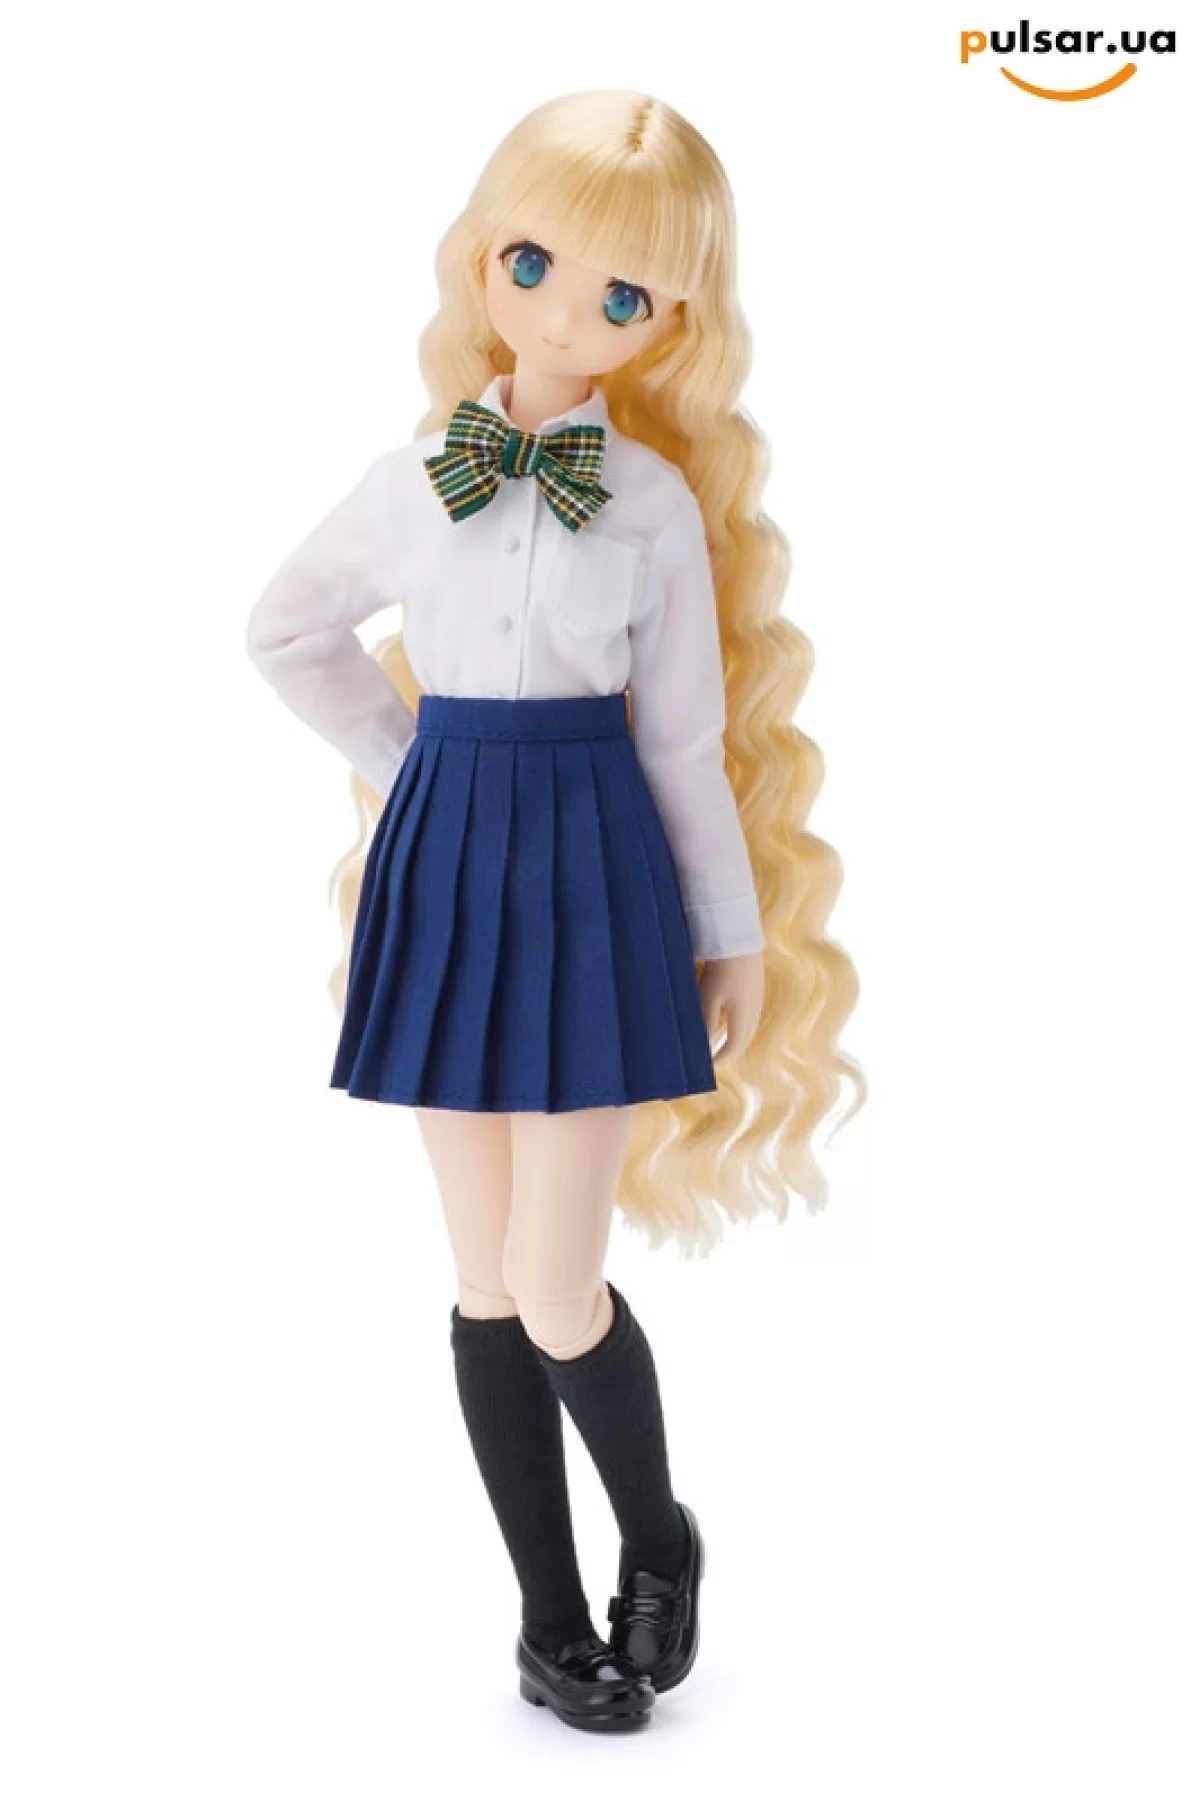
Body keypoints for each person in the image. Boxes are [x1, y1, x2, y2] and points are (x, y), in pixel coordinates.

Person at [245, 88, 864, 1733]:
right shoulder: (411, 483)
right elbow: (285, 630)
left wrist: (731, 931)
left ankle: (658, 1537)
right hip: (449, 863)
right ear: (483, 261)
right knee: (482, 1280)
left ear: (672, 322)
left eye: (624, 293)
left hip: (596, 865)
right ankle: (547, 1621)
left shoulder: (649, 506)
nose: (572, 311)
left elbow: (683, 741)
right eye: (537, 263)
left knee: (555, 1274)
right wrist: (415, 768)